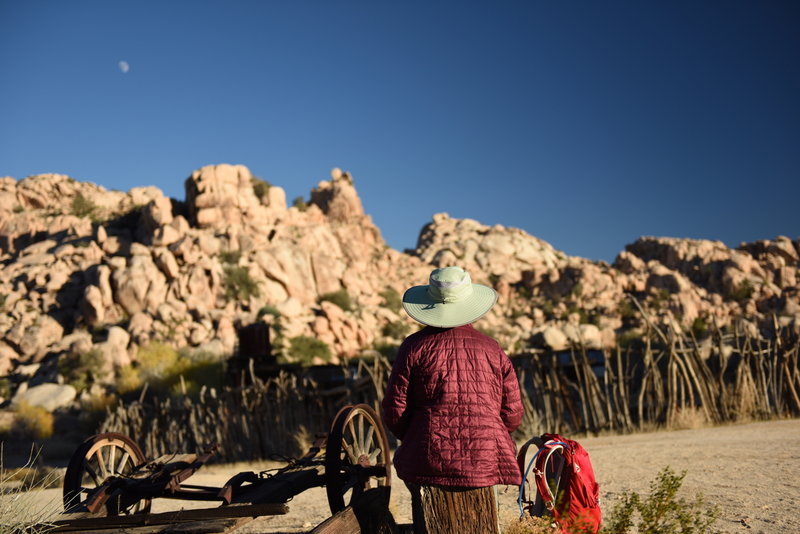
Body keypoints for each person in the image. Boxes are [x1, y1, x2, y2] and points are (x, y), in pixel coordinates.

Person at [382, 266, 523, 534]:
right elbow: (512, 413)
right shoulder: (492, 348)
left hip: (427, 457)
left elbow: (395, 410)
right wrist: (488, 432)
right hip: (485, 456)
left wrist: (415, 436)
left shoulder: (413, 347)